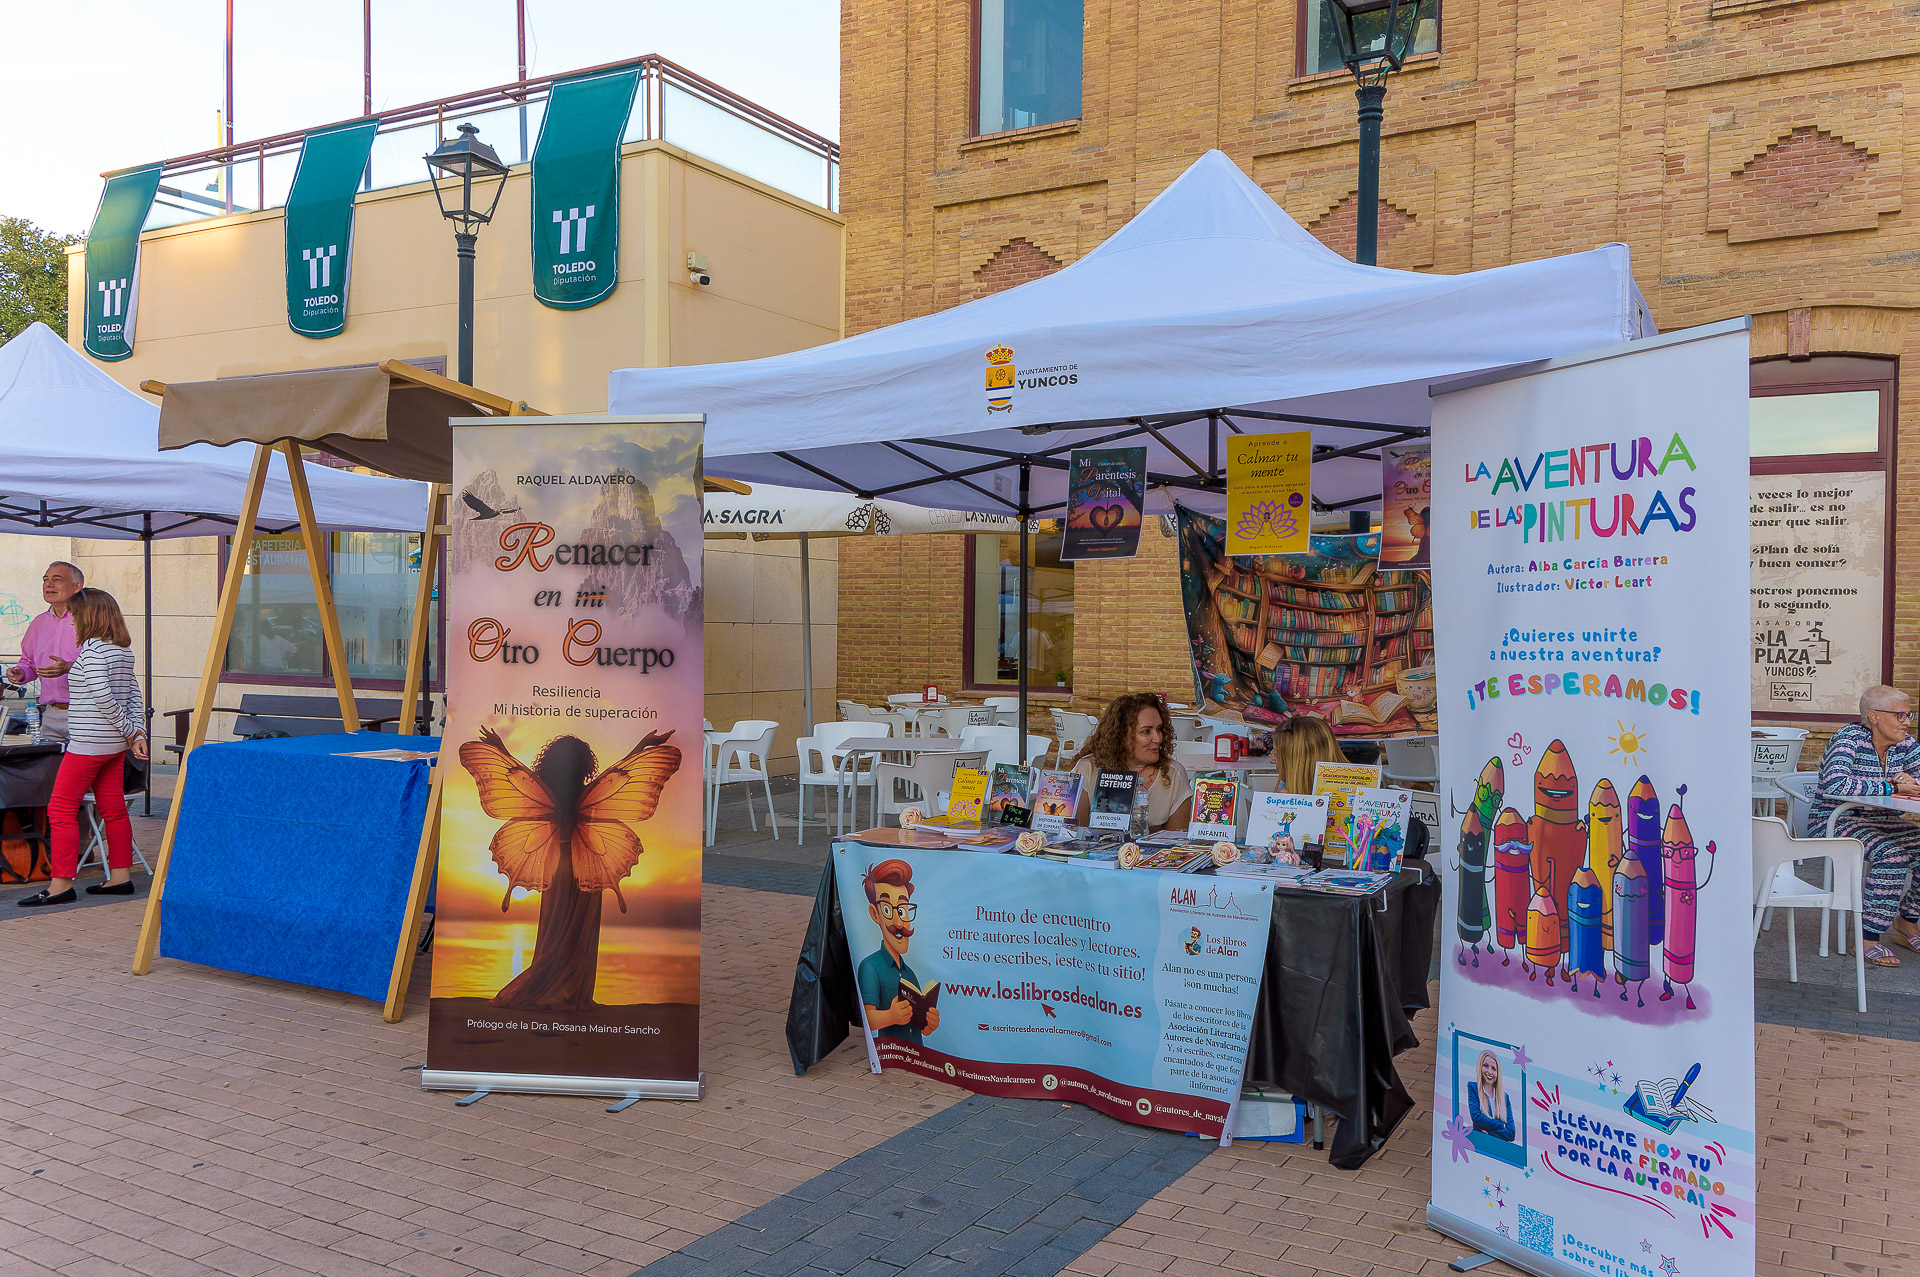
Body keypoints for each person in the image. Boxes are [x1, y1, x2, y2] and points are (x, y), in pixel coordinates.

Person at [18, 588, 147, 908]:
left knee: (59, 810)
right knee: (113, 810)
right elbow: (133, 695)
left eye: (76, 615)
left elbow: (104, 700)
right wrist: (136, 732)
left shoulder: (91, 652)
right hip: (113, 745)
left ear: (90, 617)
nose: (72, 621)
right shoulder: (121, 651)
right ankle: (120, 878)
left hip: (89, 744)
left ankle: (60, 885)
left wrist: (132, 732)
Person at [1810, 684, 1920, 967]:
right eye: (1900, 716)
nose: (1906, 722)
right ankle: (1868, 938)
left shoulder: (1905, 743)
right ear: (1874, 716)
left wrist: (1913, 784)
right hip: (1836, 821)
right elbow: (1835, 783)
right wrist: (1891, 784)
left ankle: (1907, 921)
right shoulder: (1849, 739)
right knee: (1892, 856)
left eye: (1909, 716)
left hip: (1883, 822)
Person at [1068, 692, 1193, 832]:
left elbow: (1177, 842)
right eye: (1146, 731)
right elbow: (1074, 833)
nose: (1158, 738)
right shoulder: (1087, 769)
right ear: (1120, 736)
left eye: (1159, 729)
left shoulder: (1173, 774)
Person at [856, 859, 939, 1044]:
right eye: (887, 909)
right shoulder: (870, 966)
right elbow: (865, 1018)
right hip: (892, 1055)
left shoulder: (910, 974)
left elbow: (921, 1028)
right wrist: (890, 1016)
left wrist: (928, 1024)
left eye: (902, 911)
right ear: (875, 914)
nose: (899, 923)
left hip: (917, 1056)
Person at [4, 561, 84, 744]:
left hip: (86, 713)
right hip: (51, 714)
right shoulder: (39, 623)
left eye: (57, 580)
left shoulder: (90, 620)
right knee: (49, 770)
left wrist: (69, 667)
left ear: (76, 586)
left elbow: (104, 664)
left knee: (82, 772)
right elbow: (29, 662)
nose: (49, 584)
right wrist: (20, 672)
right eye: (45, 580)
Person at [1273, 713, 1346, 796]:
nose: (1271, 760)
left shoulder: (1351, 796)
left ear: (1300, 758)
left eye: (1276, 753)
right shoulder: (1284, 785)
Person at [1466, 1049, 1515, 1142]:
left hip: (1500, 1149)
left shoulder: (1505, 1097)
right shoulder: (1473, 1087)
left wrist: (1488, 1132)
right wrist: (1501, 1125)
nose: (1489, 1072)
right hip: (1479, 1144)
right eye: (1485, 1066)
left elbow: (1511, 1133)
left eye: (1493, 1068)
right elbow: (1477, 1119)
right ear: (1480, 1067)